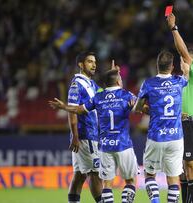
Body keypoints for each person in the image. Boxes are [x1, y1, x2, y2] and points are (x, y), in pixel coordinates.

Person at [50, 68, 139, 203]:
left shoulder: (98, 97)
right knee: (131, 180)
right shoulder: (126, 95)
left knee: (106, 184)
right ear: (117, 81)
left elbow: (78, 109)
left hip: (105, 146)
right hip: (123, 144)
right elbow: (143, 108)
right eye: (120, 78)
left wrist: (64, 106)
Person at [135, 51, 189, 203]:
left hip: (156, 137)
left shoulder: (149, 83)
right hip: (175, 138)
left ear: (156, 66)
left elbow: (139, 107)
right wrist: (184, 68)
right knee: (173, 178)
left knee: (150, 175)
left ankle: (155, 201)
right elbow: (187, 74)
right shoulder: (179, 81)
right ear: (172, 67)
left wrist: (149, 109)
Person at [167, 13, 193, 203]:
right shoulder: (179, 82)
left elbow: (183, 53)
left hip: (191, 125)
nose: (182, 62)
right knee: (181, 172)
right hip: (179, 125)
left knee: (191, 171)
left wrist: (174, 28)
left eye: (185, 59)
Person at [66, 51, 103, 203]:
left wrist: (116, 79)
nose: (94, 64)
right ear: (81, 65)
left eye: (94, 61)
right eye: (89, 61)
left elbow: (106, 95)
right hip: (85, 135)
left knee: (80, 175)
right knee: (95, 173)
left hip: (90, 135)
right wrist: (75, 136)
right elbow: (72, 110)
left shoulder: (92, 84)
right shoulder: (77, 84)